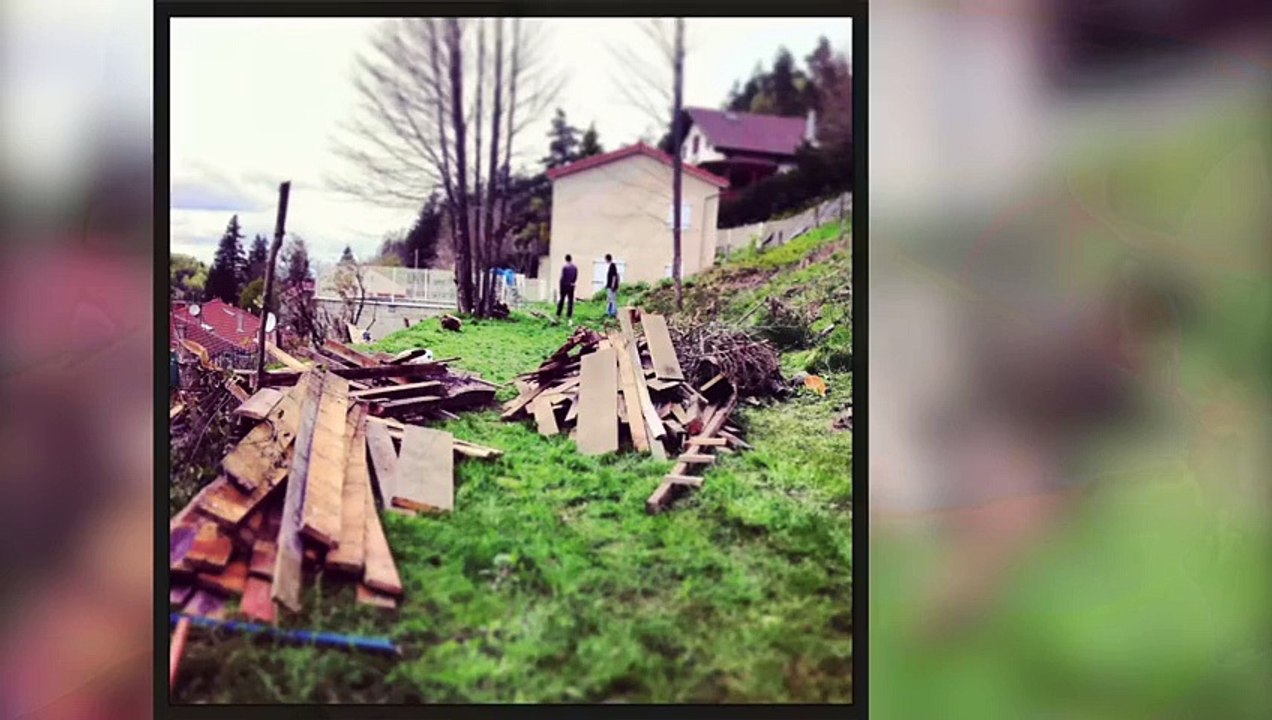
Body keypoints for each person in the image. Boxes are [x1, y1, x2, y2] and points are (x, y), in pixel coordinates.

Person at [557, 254, 578, 321]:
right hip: (571, 285)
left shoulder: (565, 267)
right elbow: (575, 276)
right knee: (570, 300)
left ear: (566, 259)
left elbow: (563, 277)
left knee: (562, 299)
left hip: (564, 285)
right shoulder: (575, 268)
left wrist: (561, 285)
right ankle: (569, 314)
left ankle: (559, 313)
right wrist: (573, 282)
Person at [605, 253, 620, 317]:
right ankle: (609, 311)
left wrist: (613, 285)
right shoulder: (610, 266)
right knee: (609, 299)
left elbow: (614, 276)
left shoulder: (613, 265)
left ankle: (613, 312)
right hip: (609, 286)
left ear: (607, 259)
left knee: (613, 299)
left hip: (612, 286)